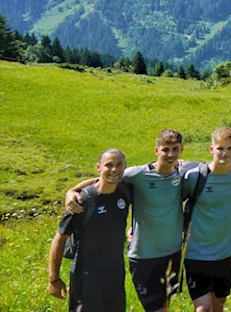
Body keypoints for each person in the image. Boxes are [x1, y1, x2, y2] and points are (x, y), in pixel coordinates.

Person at [65, 129, 190, 312]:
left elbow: (218, 160)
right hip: (144, 255)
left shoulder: (183, 171)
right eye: (165, 149)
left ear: (181, 149)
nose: (170, 154)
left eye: (174, 149)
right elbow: (107, 178)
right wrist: (72, 191)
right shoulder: (137, 174)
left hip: (173, 253)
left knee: (166, 306)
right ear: (156, 151)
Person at [48, 149, 130, 312]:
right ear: (98, 167)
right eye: (109, 165)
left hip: (115, 274)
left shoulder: (124, 192)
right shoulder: (82, 201)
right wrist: (53, 279)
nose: (114, 169)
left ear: (125, 167)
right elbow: (60, 238)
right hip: (86, 276)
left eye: (119, 165)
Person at [181, 127, 231, 312]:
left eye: (229, 148)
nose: (224, 153)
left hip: (224, 255)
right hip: (196, 254)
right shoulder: (195, 177)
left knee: (218, 305)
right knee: (203, 308)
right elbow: (171, 201)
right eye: (220, 148)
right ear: (212, 150)